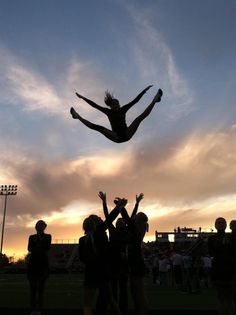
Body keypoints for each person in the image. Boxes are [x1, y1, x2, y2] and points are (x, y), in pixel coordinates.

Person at [79, 198, 127, 315]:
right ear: (95, 224)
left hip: (90, 272)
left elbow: (82, 258)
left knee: (87, 305)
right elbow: (110, 217)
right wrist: (119, 206)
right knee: (111, 300)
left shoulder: (82, 240)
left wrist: (92, 261)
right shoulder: (100, 233)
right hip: (103, 271)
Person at [98, 192, 144, 315]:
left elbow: (131, 217)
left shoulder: (124, 230)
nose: (119, 222)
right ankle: (117, 309)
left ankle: (121, 310)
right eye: (118, 221)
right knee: (115, 289)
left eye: (120, 221)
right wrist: (104, 202)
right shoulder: (113, 230)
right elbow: (108, 216)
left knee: (122, 289)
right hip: (114, 262)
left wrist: (137, 204)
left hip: (121, 263)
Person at [70, 86, 163, 143]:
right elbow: (94, 105)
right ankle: (77, 116)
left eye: (117, 104)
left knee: (139, 118)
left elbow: (135, 101)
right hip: (116, 137)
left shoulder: (123, 109)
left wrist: (144, 91)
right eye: (113, 104)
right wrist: (82, 98)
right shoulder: (108, 112)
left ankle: (155, 100)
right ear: (110, 106)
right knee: (97, 127)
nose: (116, 105)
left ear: (119, 105)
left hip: (127, 133)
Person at [119, 199, 149, 315]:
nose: (134, 218)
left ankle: (143, 312)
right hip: (135, 262)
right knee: (135, 291)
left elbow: (127, 219)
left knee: (138, 292)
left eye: (136, 217)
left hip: (136, 263)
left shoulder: (136, 230)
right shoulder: (138, 230)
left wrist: (121, 207)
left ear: (138, 220)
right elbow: (129, 219)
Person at [208, 217, 234, 315]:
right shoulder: (212, 238)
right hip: (218, 269)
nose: (221, 224)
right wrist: (220, 244)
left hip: (230, 269)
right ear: (215, 225)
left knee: (230, 297)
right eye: (219, 223)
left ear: (226, 225)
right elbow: (211, 252)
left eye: (223, 223)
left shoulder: (231, 237)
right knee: (220, 297)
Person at [26, 220, 51, 315]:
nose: (39, 227)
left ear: (44, 227)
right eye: (37, 226)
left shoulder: (48, 237)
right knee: (33, 289)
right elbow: (29, 248)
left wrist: (40, 240)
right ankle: (33, 309)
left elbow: (47, 247)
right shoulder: (31, 237)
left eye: (41, 226)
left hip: (43, 265)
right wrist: (37, 241)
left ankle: (39, 309)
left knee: (41, 289)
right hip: (32, 265)